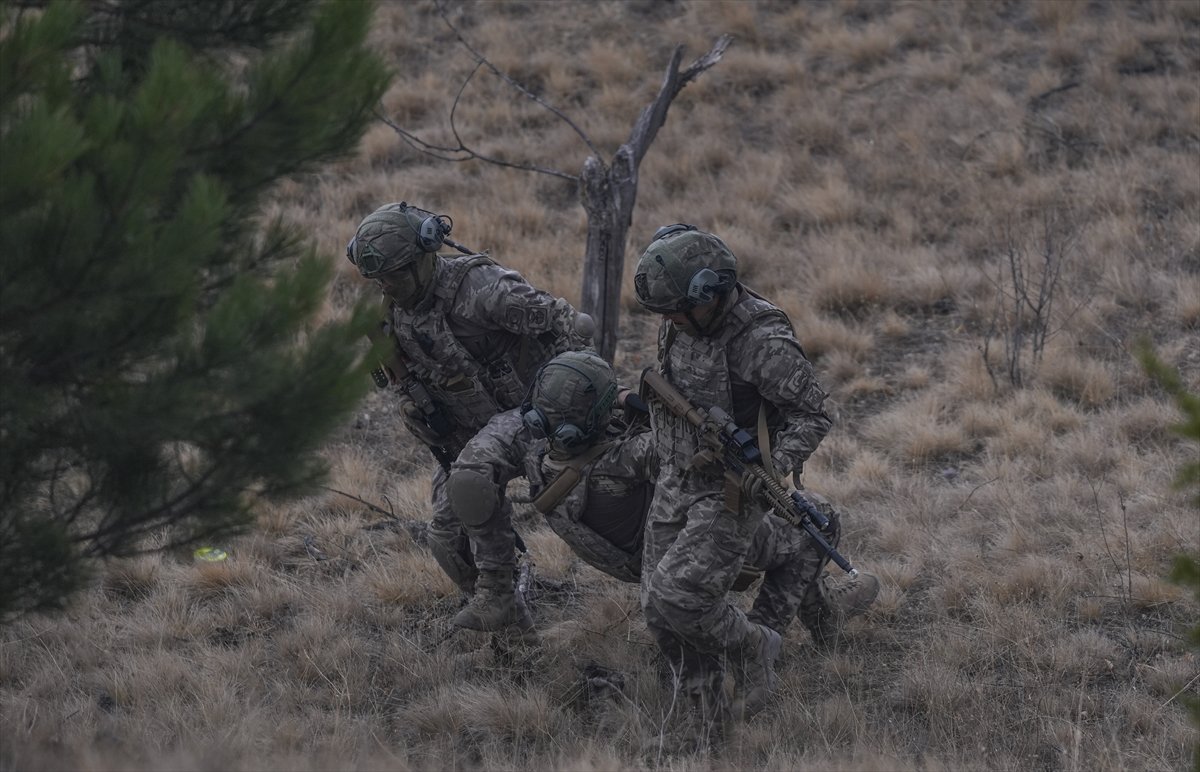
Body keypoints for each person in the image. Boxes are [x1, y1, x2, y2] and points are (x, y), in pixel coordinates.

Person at [447, 352, 874, 683]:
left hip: (635, 560)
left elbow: (475, 470)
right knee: (819, 518)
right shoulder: (629, 457)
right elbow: (688, 457)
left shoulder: (528, 445)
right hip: (681, 554)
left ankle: (824, 613)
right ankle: (762, 637)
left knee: (794, 539)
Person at [631, 223, 879, 744]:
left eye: (676, 309)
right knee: (657, 605)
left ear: (709, 292)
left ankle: (756, 646)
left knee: (682, 599)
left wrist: (765, 470)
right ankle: (703, 714)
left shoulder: (762, 342)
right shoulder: (682, 317)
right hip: (676, 475)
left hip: (730, 489)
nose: (669, 320)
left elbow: (813, 413)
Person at [346, 201, 594, 633]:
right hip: (468, 433)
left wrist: (571, 404)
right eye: (377, 278)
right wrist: (415, 406)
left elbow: (570, 329)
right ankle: (511, 632)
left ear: (424, 257)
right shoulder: (386, 317)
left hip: (533, 414)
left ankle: (497, 592)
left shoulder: (483, 289)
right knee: (446, 537)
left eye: (395, 274)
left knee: (474, 471)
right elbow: (401, 380)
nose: (386, 286)